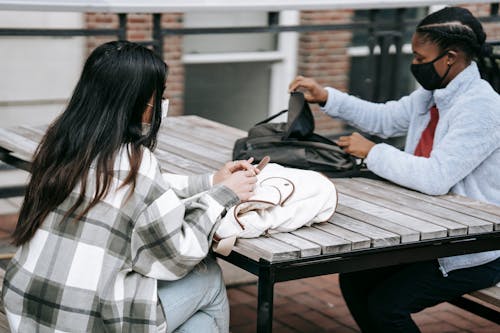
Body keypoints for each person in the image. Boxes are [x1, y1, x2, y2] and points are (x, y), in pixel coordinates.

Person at [2, 41, 259, 332]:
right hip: (89, 323)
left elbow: (140, 187)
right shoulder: (136, 163)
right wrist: (225, 195)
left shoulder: (63, 143)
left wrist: (211, 182)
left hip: (26, 308)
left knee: (196, 321)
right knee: (207, 276)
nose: (162, 103)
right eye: (158, 94)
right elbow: (177, 255)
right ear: (138, 100)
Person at [289, 6, 500, 333]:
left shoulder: (482, 108)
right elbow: (384, 119)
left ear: (450, 58)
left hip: (473, 248)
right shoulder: (433, 95)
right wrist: (326, 96)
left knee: (387, 307)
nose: (414, 65)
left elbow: (436, 177)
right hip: (431, 233)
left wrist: (373, 152)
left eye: (419, 57)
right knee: (355, 279)